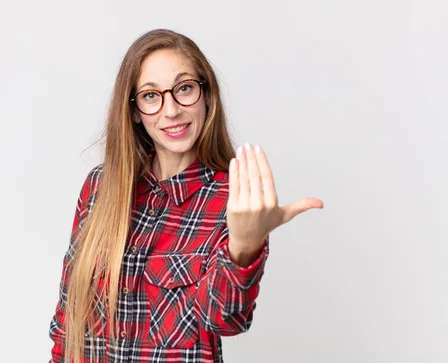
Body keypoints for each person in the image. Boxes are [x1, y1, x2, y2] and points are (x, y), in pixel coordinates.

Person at [48, 29, 324, 363]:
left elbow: (225, 318)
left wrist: (244, 247)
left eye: (184, 89)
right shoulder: (100, 189)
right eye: (151, 96)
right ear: (134, 109)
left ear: (207, 95)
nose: (172, 110)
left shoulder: (231, 198)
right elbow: (68, 326)